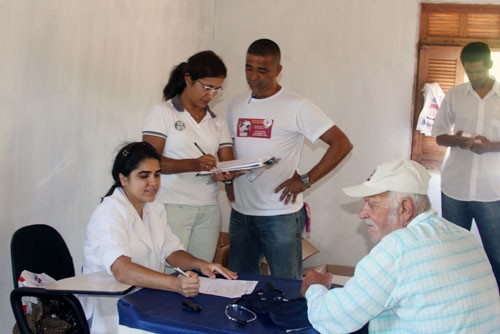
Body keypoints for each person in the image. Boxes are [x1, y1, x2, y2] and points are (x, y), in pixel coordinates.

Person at [301, 159, 500, 333]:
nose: (362, 213)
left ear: (405, 208)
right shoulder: (464, 235)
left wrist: (315, 287)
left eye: (372, 204)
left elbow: (332, 321)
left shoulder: (398, 248)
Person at [226, 39, 353, 279]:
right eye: (248, 68)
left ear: (278, 71)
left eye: (262, 70)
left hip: (280, 214)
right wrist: (228, 181)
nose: (253, 76)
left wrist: (305, 180)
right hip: (242, 214)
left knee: (287, 286)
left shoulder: (297, 105)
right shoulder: (236, 104)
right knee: (239, 285)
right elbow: (233, 150)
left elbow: (342, 144)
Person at [82, 142, 237, 334]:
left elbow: (172, 252)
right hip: (113, 309)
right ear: (123, 179)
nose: (153, 182)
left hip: (147, 298)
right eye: (144, 176)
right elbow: (122, 271)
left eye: (157, 174)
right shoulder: (109, 213)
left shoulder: (154, 207)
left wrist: (200, 264)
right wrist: (174, 284)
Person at [142, 50, 234, 263]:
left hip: (208, 208)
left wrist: (227, 174)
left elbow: (229, 164)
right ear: (188, 79)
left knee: (201, 273)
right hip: (172, 205)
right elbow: (148, 163)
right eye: (207, 88)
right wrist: (193, 164)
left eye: (217, 90)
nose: (211, 95)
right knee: (170, 273)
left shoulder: (217, 121)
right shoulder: (163, 112)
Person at [431, 41, 500, 288]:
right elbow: (439, 134)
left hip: (492, 191)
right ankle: (455, 306)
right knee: (452, 255)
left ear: (490, 66)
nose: (474, 77)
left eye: (479, 72)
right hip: (455, 188)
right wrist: (457, 141)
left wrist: (490, 146)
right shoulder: (455, 95)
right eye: (469, 72)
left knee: (497, 257)